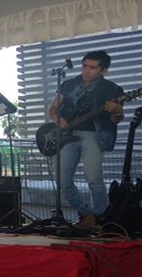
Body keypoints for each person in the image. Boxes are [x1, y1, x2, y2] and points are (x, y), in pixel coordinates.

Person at [49, 50, 124, 228]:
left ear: (104, 71)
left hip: (94, 136)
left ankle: (98, 217)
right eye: (84, 66)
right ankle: (84, 214)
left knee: (94, 179)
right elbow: (53, 109)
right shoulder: (69, 85)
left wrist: (117, 111)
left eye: (92, 67)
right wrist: (57, 119)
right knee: (63, 180)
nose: (86, 70)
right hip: (67, 136)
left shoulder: (113, 89)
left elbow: (116, 120)